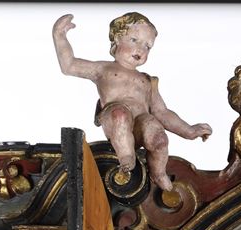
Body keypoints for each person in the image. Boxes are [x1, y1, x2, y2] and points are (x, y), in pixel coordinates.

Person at [52, 11, 212, 192]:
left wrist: (189, 131)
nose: (141, 49)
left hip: (140, 124)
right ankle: (126, 157)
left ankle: (158, 172)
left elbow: (162, 112)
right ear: (117, 39)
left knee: (158, 135)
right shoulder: (103, 69)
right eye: (134, 40)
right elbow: (69, 65)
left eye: (147, 46)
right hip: (115, 119)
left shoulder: (147, 80)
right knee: (120, 114)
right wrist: (59, 35)